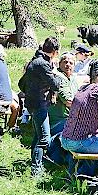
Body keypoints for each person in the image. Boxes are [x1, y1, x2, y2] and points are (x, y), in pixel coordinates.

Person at [21, 37, 62, 177]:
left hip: (33, 102)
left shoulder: (36, 60)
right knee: (44, 137)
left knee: (37, 135)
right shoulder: (43, 64)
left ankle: (34, 162)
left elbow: (23, 83)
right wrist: (56, 72)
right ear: (55, 52)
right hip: (39, 103)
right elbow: (55, 85)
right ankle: (36, 169)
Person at [48, 52, 80, 135]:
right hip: (58, 122)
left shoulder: (72, 78)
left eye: (71, 63)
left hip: (69, 119)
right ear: (59, 64)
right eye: (65, 62)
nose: (68, 65)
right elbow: (68, 101)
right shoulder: (59, 77)